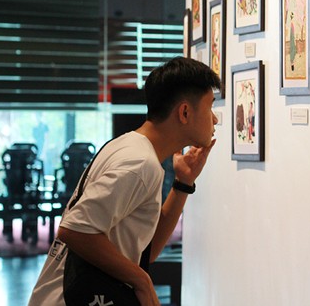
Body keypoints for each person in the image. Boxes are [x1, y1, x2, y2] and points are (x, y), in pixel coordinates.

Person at [28, 57, 221, 306]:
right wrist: (142, 281)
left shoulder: (132, 148)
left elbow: (147, 250)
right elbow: (74, 229)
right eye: (209, 107)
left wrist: (183, 183)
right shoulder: (139, 163)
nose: (214, 119)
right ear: (184, 112)